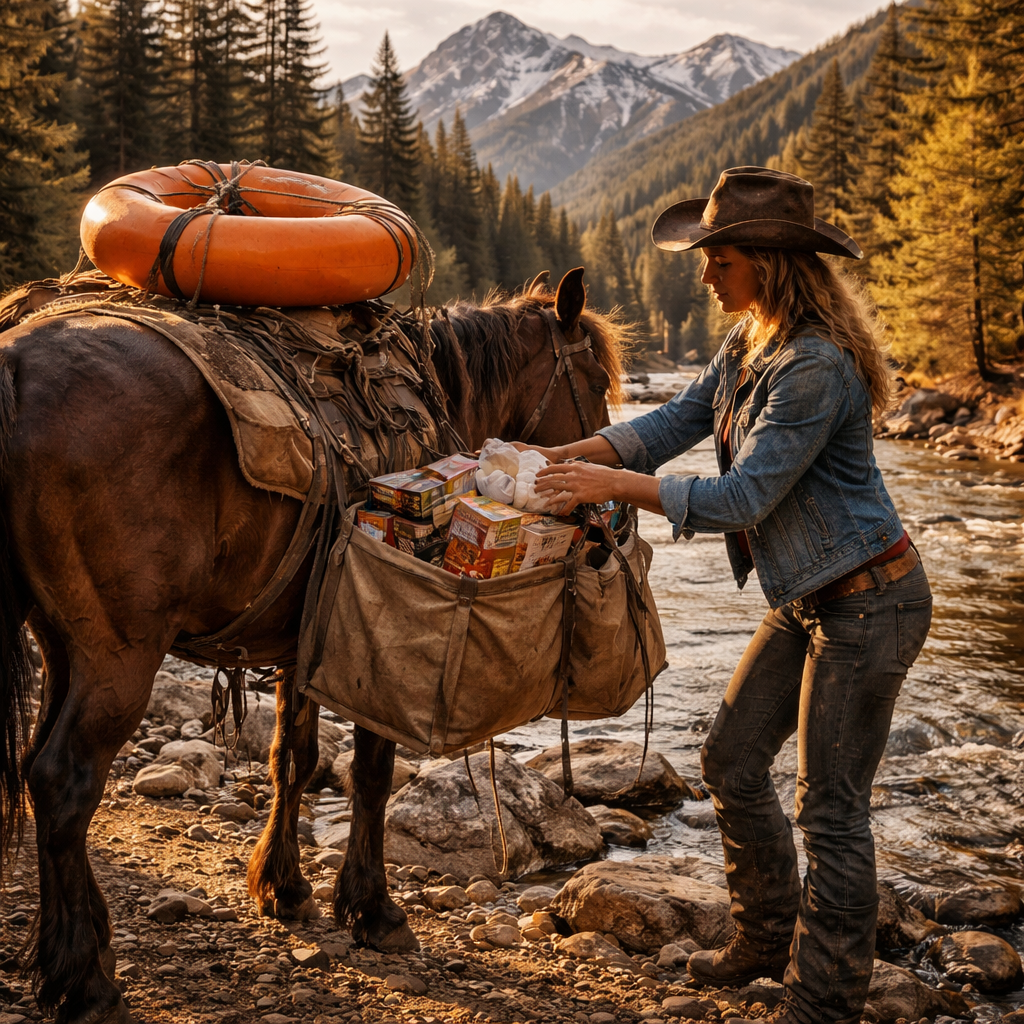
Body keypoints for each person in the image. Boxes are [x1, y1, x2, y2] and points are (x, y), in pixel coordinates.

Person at [527, 166, 933, 1024]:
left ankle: (823, 1002)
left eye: (721, 257)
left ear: (769, 262)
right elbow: (677, 419)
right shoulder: (750, 340)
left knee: (829, 808)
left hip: (871, 601)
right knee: (732, 764)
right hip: (812, 596)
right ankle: (761, 940)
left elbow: (744, 499)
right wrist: (568, 456)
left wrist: (604, 484)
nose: (704, 272)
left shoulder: (815, 366)